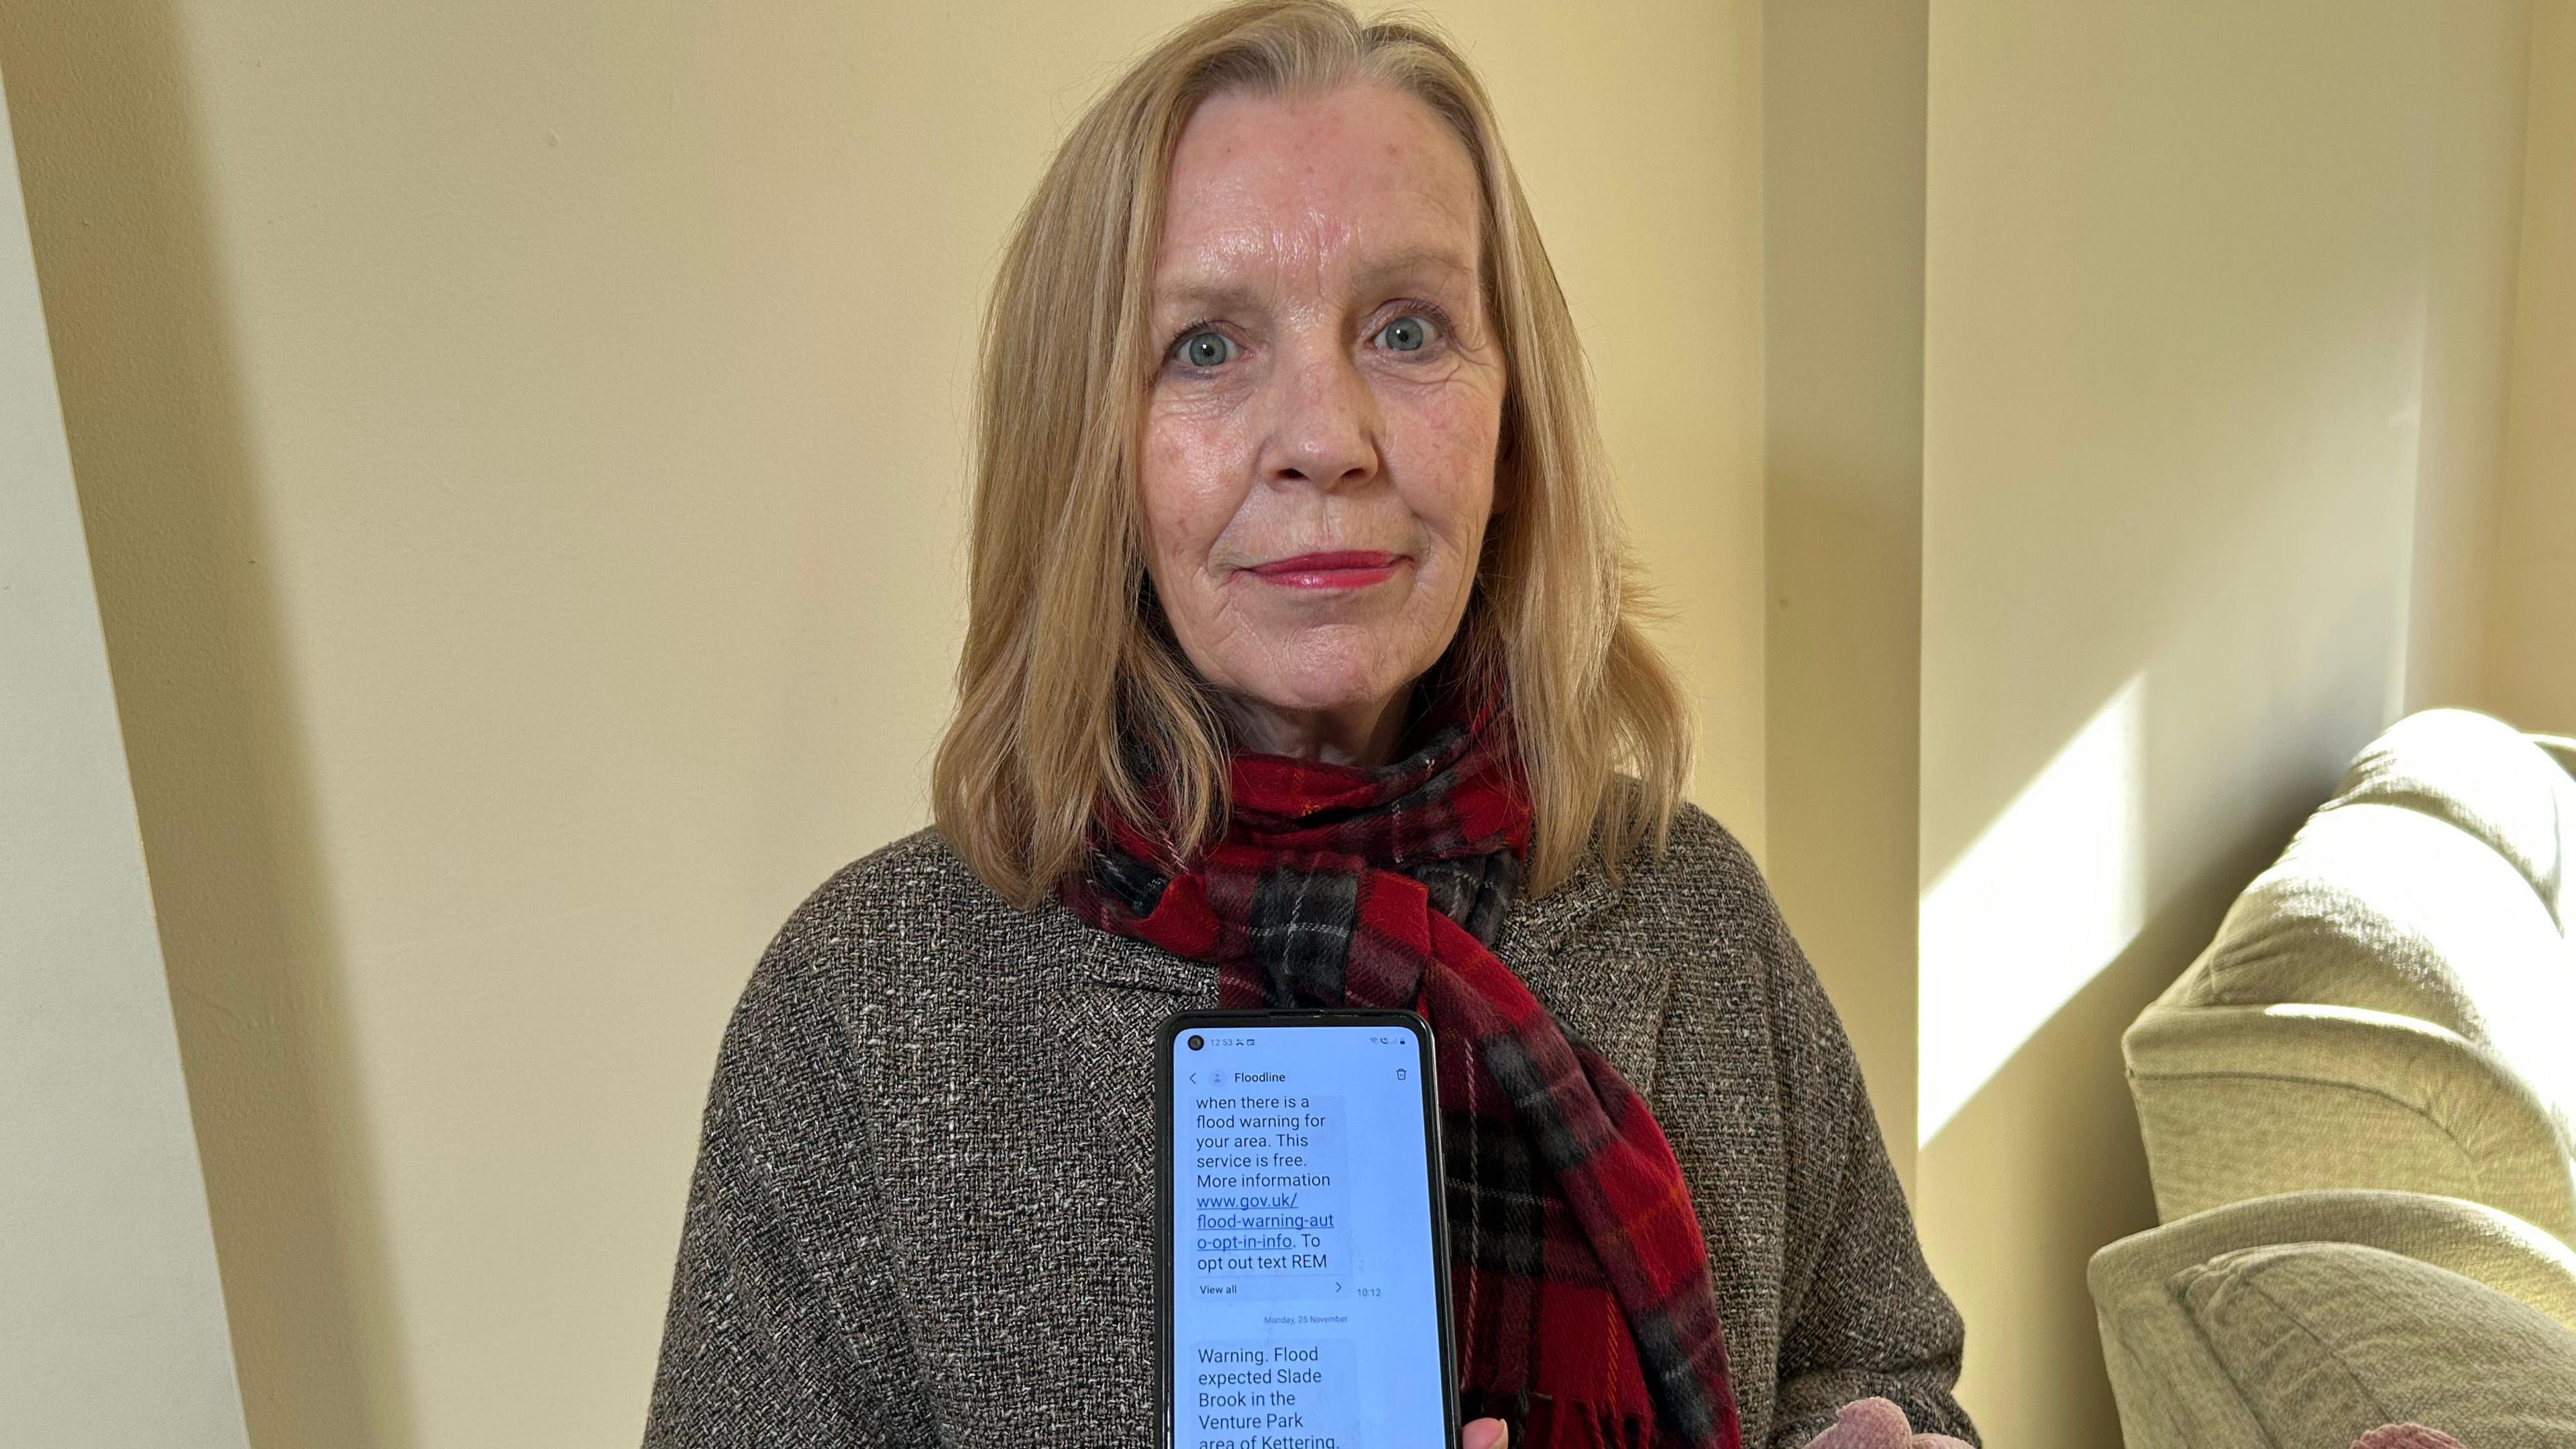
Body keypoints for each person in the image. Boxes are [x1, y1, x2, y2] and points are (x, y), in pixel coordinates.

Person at [643, 3, 1976, 1446]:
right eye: (1206, 347)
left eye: (1408, 329)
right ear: (1087, 448)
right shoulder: (861, 1010)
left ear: (1513, 429)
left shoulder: (1694, 912)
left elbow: (1886, 1370)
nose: (1327, 434)